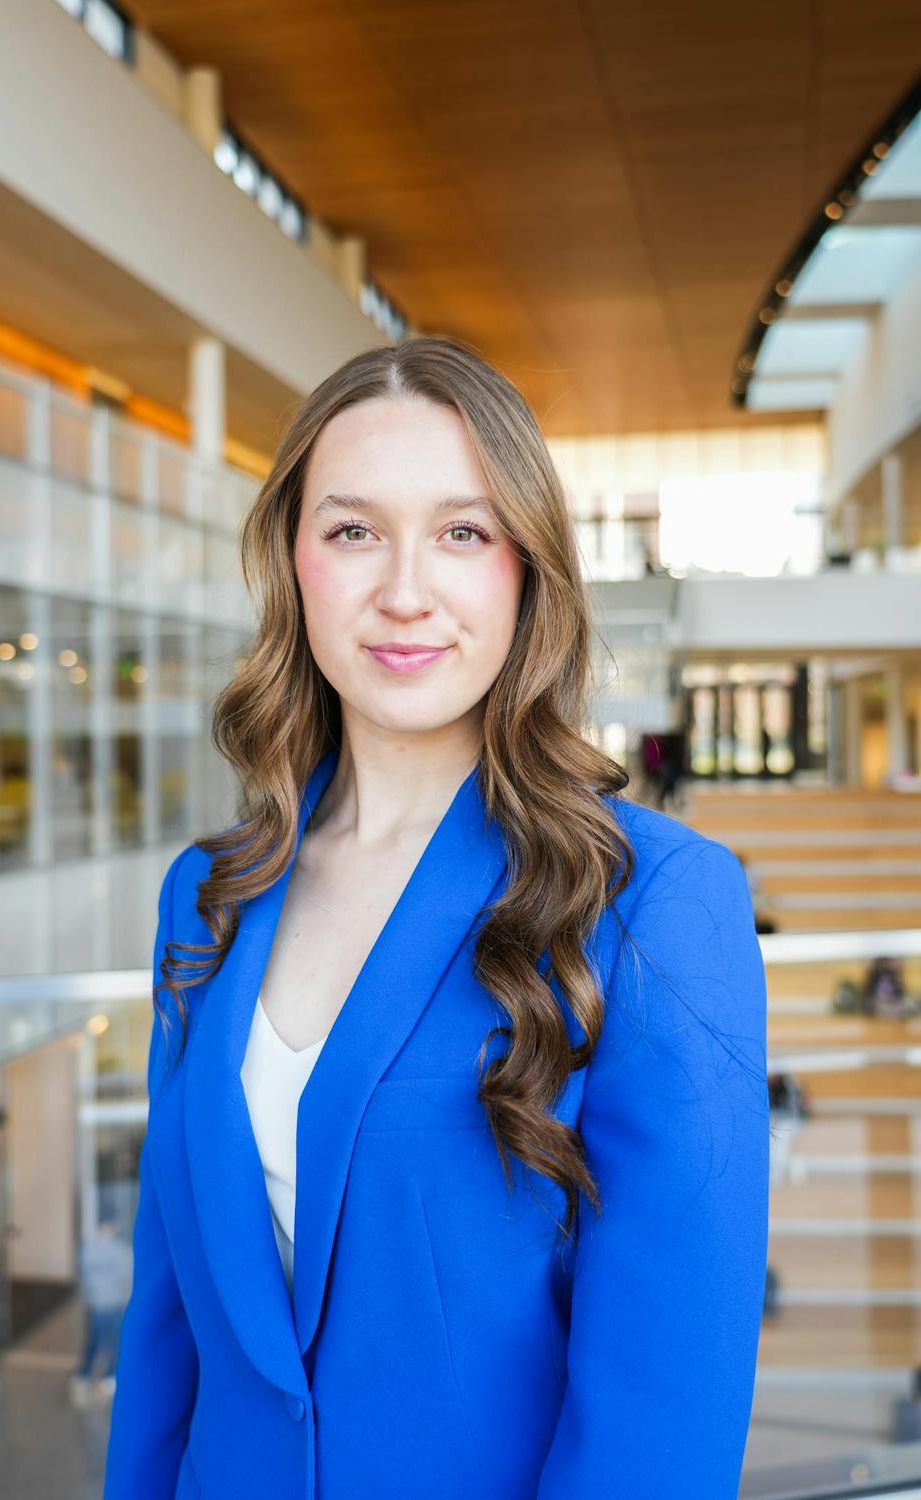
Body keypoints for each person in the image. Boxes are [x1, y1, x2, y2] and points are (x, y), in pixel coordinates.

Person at [104, 337, 769, 1499]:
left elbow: (663, 1418)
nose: (403, 589)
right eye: (353, 529)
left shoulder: (654, 901)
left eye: (461, 532)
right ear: (294, 561)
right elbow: (168, 1337)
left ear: (525, 569)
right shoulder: (205, 895)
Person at [69, 1214, 133, 1407]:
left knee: (94, 1341)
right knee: (113, 1342)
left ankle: (83, 1376)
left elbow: (84, 1277)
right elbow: (127, 1278)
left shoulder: (88, 1249)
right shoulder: (119, 1250)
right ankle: (108, 1379)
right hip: (112, 1303)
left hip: (95, 1303)